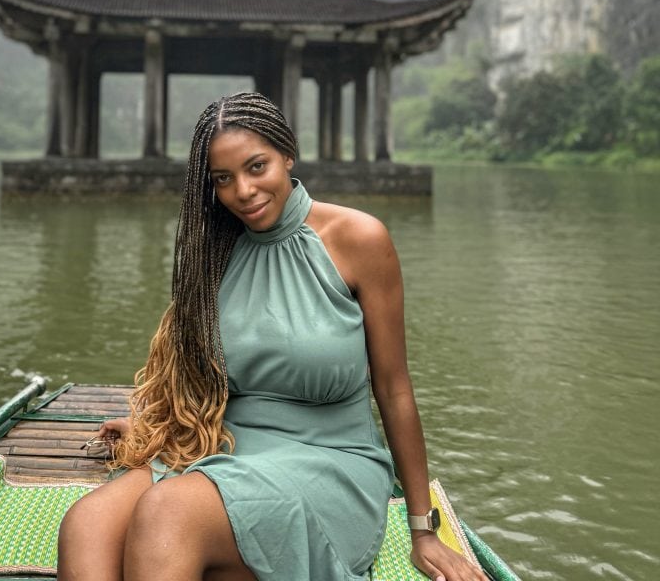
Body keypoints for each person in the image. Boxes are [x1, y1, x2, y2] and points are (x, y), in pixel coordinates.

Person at [58, 92, 484, 581]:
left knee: (167, 512)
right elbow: (196, 381)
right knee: (87, 524)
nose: (243, 191)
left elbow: (394, 389)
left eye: (256, 166)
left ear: (287, 153)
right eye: (223, 179)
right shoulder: (215, 254)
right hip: (226, 449)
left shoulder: (358, 240)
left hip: (329, 460)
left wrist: (422, 529)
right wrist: (159, 431)